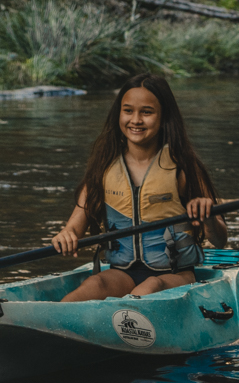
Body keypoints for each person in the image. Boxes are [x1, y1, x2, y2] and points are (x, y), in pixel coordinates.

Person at [49, 74, 227, 301]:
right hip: (122, 274)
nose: (136, 120)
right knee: (92, 285)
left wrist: (208, 215)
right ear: (118, 115)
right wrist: (66, 235)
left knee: (148, 289)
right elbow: (74, 227)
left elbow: (221, 240)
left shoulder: (182, 168)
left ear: (163, 117)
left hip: (175, 275)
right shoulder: (103, 170)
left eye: (147, 112)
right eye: (128, 111)